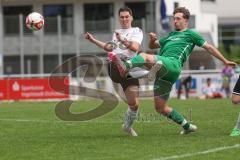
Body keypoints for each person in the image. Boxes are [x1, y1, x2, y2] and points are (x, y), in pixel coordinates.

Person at [111, 7, 237, 134]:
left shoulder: (191, 34)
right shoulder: (170, 35)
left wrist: (224, 61)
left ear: (186, 21)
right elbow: (153, 46)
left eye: (178, 18)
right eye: (174, 18)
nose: (175, 21)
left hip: (173, 65)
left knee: (144, 56)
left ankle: (125, 66)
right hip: (163, 72)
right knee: (160, 108)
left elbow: (209, 47)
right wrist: (152, 40)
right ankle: (186, 125)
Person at [85, 7, 143, 136]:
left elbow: (134, 48)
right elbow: (109, 47)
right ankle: (119, 62)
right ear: (119, 18)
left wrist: (122, 40)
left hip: (130, 68)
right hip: (115, 67)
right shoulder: (117, 32)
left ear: (131, 17)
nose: (124, 19)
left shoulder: (137, 31)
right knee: (116, 57)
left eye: (127, 16)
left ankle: (127, 127)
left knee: (134, 104)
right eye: (122, 17)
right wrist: (92, 40)